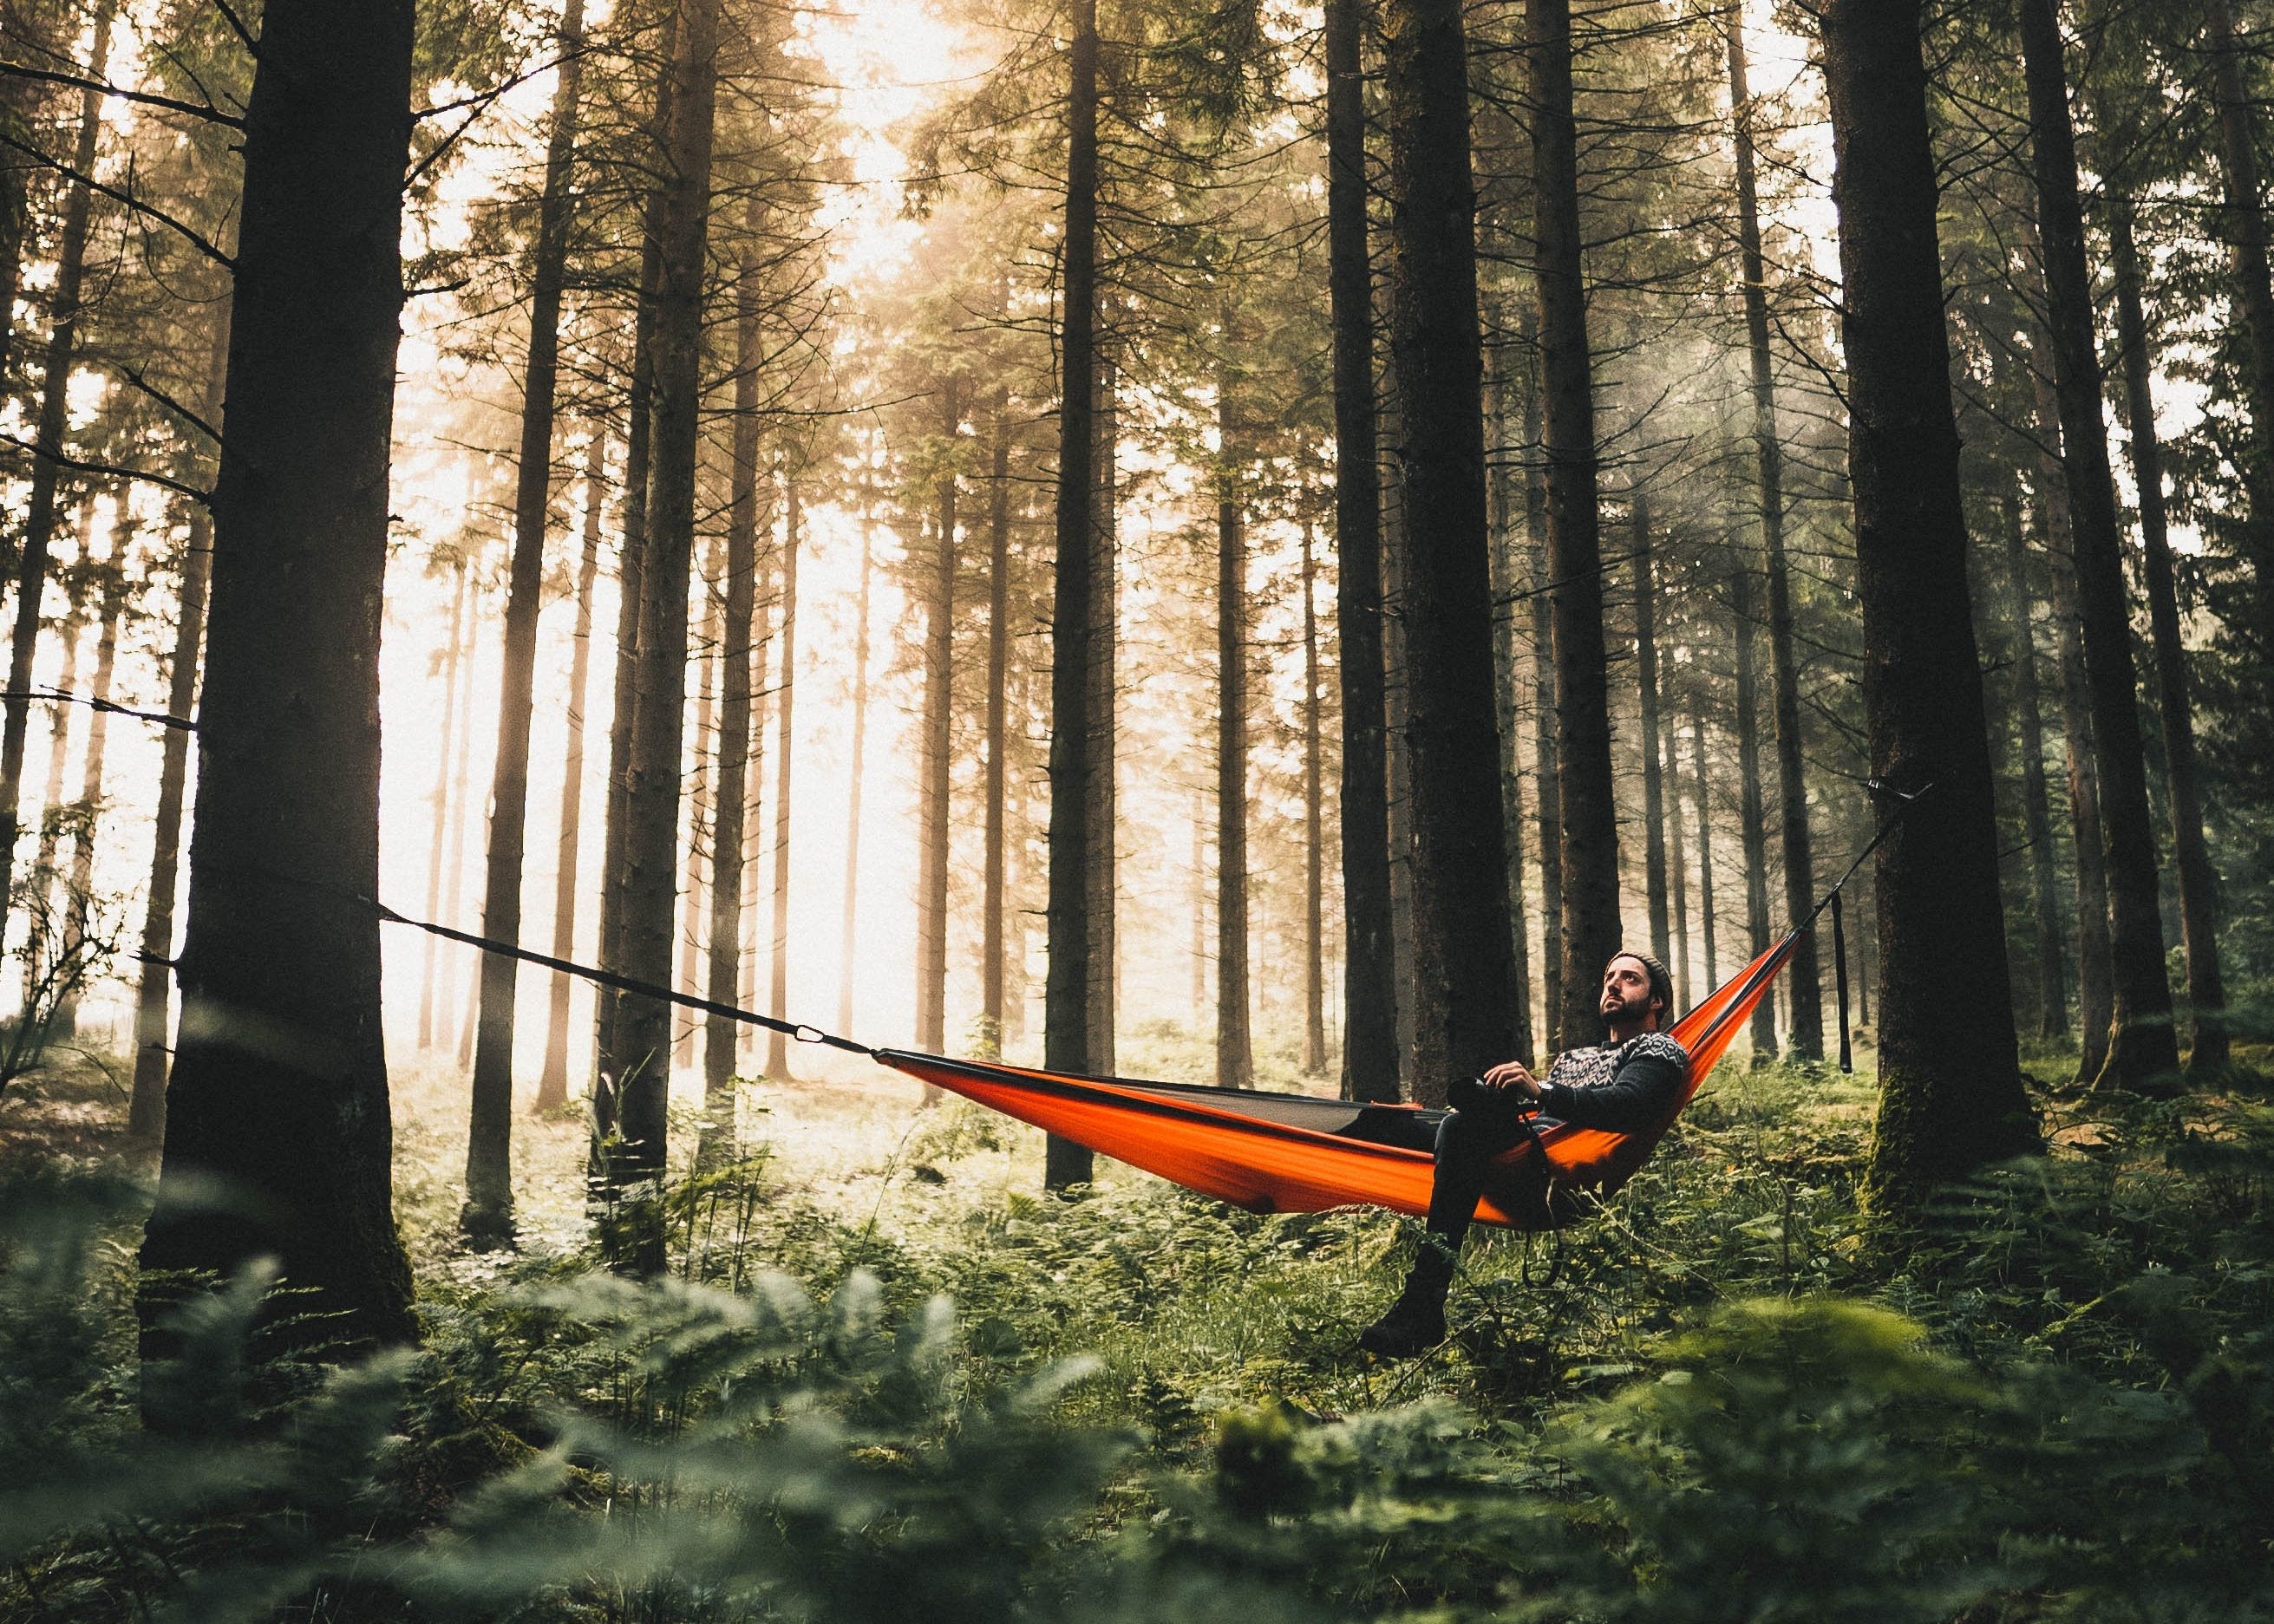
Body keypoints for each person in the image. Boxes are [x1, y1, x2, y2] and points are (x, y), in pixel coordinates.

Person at [1356, 950, 1688, 1358]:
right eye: (1609, 977)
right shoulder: (1575, 1058)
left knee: (1458, 1127)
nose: (1613, 984)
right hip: (1516, 1145)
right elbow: (1542, 1108)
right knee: (1384, 1124)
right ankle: (1270, 1136)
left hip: (1555, 1170)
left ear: (1657, 1001)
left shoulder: (1660, 1048)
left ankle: (1421, 1307)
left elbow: (1629, 1104)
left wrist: (1542, 1091)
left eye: (1630, 979)